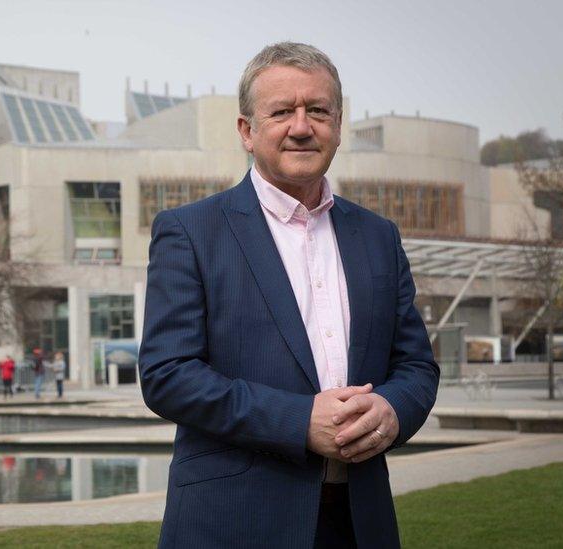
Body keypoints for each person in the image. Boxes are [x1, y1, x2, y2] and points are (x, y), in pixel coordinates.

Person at [138, 42, 439, 549]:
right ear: (247, 132)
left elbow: (416, 367)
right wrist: (299, 422)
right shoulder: (190, 231)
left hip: (360, 522)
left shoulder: (378, 236)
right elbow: (167, 374)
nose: (302, 126)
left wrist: (391, 408)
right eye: (282, 112)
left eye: (317, 111)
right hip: (234, 523)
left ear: (338, 125)